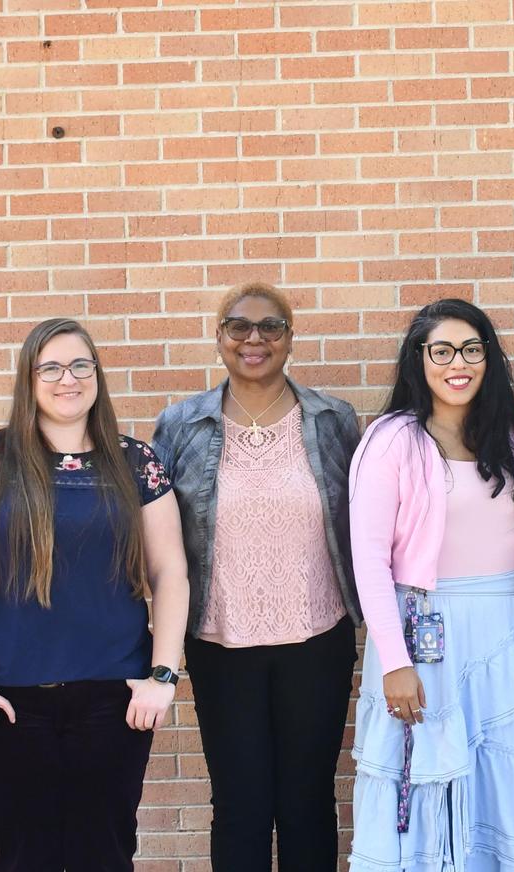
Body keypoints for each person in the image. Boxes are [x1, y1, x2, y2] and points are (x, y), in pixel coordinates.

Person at [0, 318, 188, 871]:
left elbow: (172, 572)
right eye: (52, 367)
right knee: (24, 856)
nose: (69, 378)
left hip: (114, 698)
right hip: (9, 700)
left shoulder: (135, 463)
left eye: (81, 365)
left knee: (104, 855)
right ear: (29, 378)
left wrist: (163, 677)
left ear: (97, 375)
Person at [348, 299, 514, 872]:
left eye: (472, 350)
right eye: (443, 350)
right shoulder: (392, 438)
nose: (459, 363)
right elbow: (368, 560)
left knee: (508, 780)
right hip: (423, 634)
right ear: (419, 360)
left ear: (488, 359)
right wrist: (396, 663)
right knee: (430, 782)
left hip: (504, 629)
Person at [151, 282, 362, 872]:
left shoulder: (332, 419)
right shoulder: (181, 425)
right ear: (218, 336)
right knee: (240, 804)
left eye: (271, 327)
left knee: (308, 800)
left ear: (290, 338)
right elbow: (156, 536)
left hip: (317, 640)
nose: (254, 339)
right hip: (221, 642)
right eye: (238, 326)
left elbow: (364, 523)